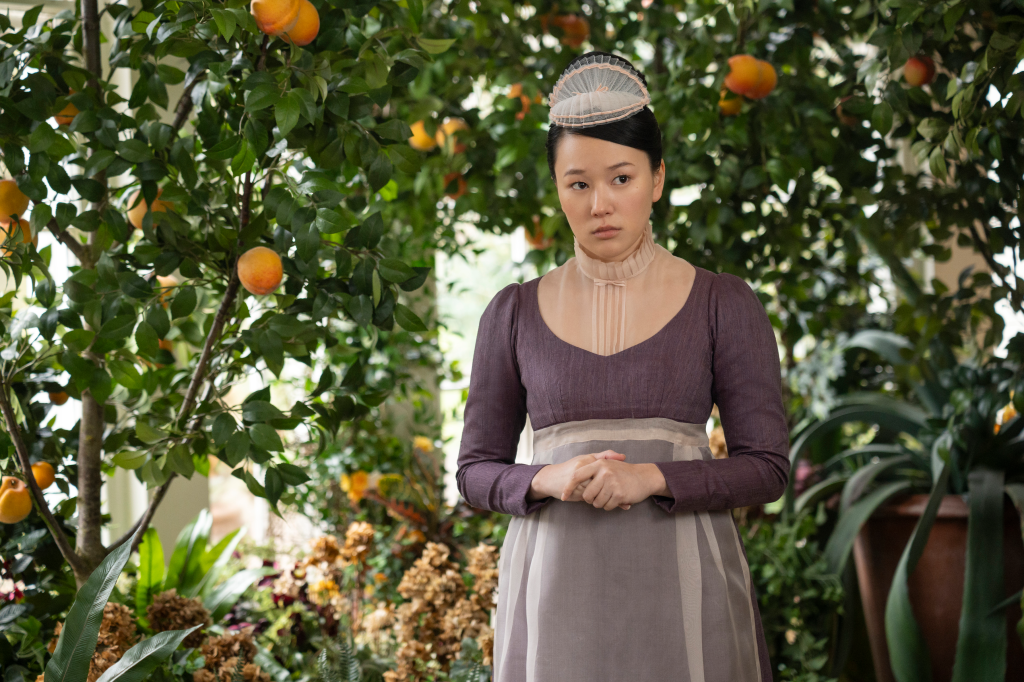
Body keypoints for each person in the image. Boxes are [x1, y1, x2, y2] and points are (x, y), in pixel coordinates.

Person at [455, 51, 790, 682]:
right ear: (557, 190)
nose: (600, 203)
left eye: (622, 178)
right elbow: (475, 471)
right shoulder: (513, 313)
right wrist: (546, 479)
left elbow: (767, 468)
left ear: (657, 179)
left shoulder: (723, 302)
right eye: (578, 183)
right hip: (555, 602)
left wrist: (652, 478)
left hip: (688, 591)